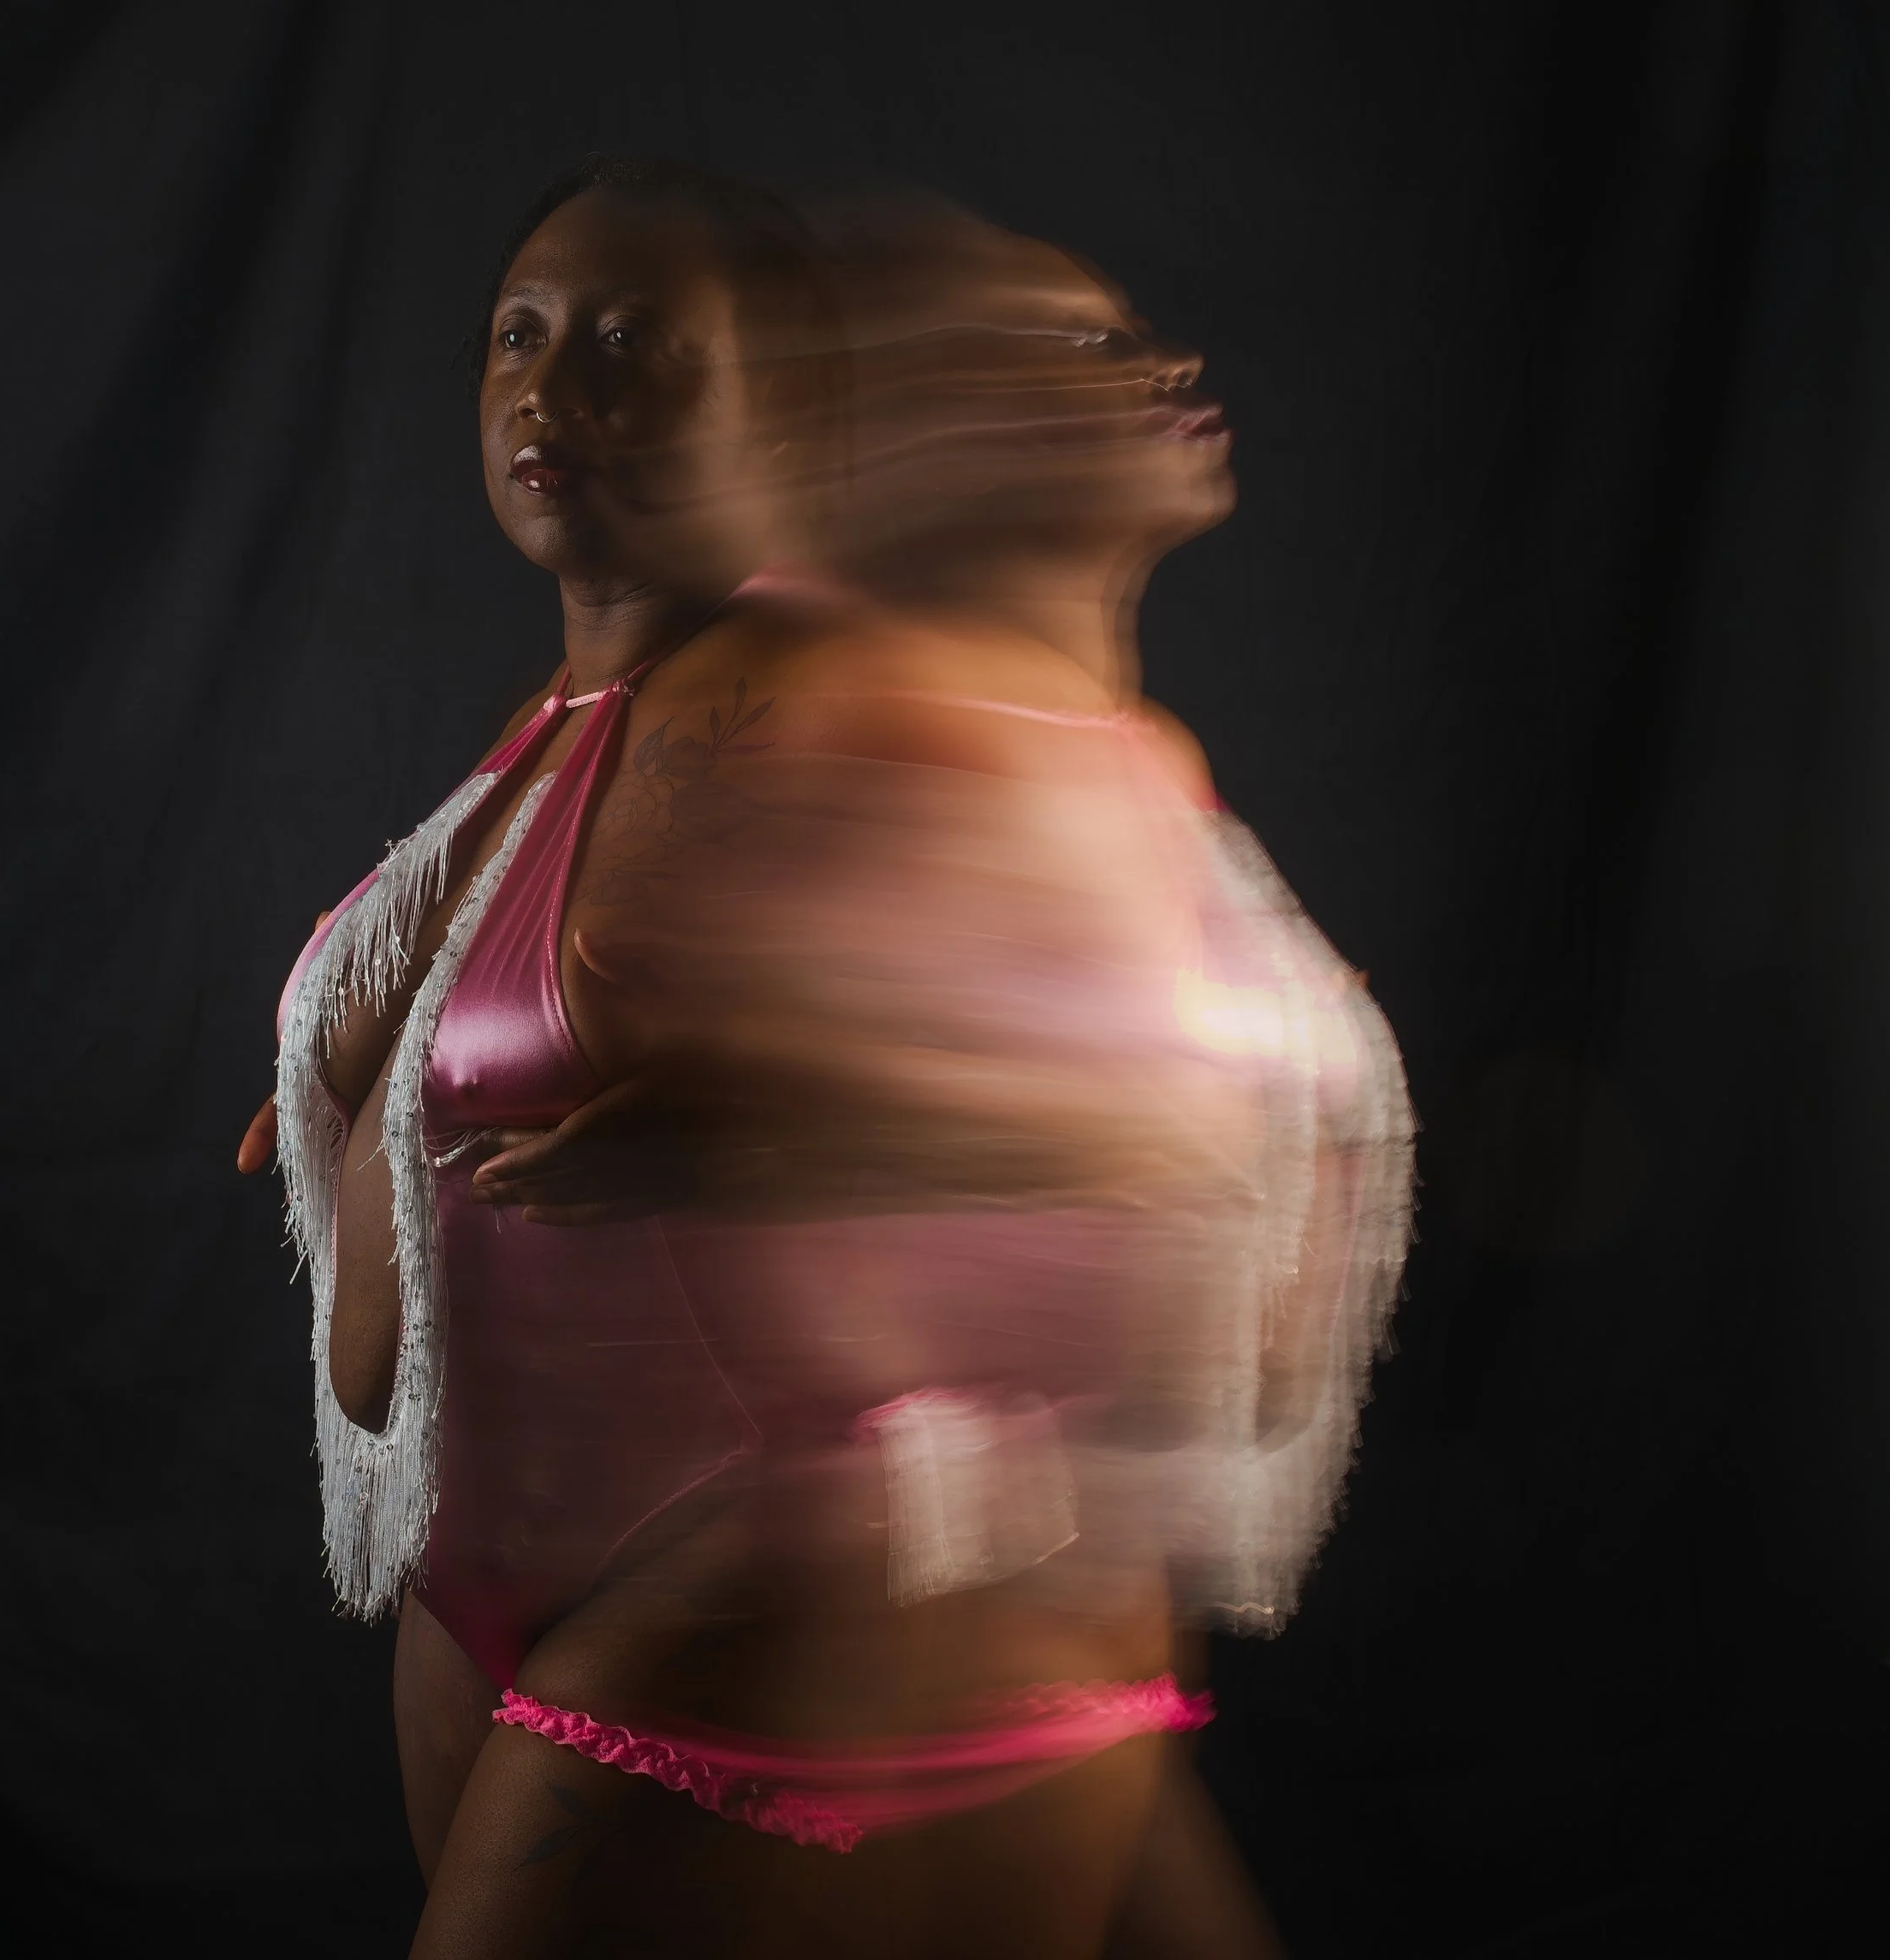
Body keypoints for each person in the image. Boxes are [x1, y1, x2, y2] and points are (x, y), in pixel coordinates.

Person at [245, 158, 1410, 1958]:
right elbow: (488, 976)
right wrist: (368, 1067)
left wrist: (772, 1123)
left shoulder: (861, 692)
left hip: (782, 1551)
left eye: (632, 343)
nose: (552, 389)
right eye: (520, 337)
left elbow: (1168, 1106)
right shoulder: (576, 715)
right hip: (490, 1561)